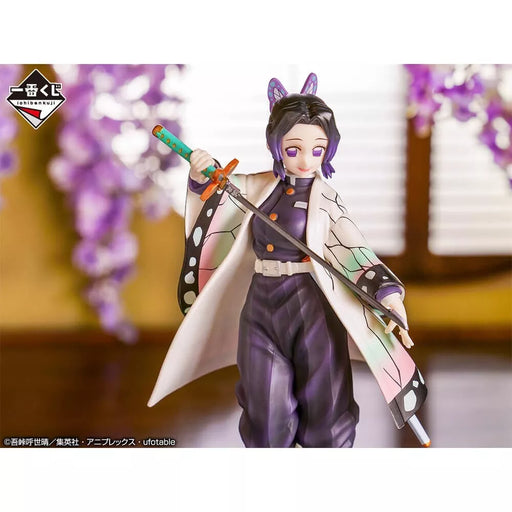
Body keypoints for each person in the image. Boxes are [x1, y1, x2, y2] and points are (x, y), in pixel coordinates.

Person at [148, 73, 427, 448]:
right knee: (265, 403)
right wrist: (201, 172)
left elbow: (353, 248)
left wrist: (388, 294)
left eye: (318, 150)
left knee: (325, 400)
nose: (306, 160)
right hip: (262, 304)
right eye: (294, 149)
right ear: (276, 144)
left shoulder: (326, 200)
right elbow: (217, 199)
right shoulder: (255, 187)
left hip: (312, 306)